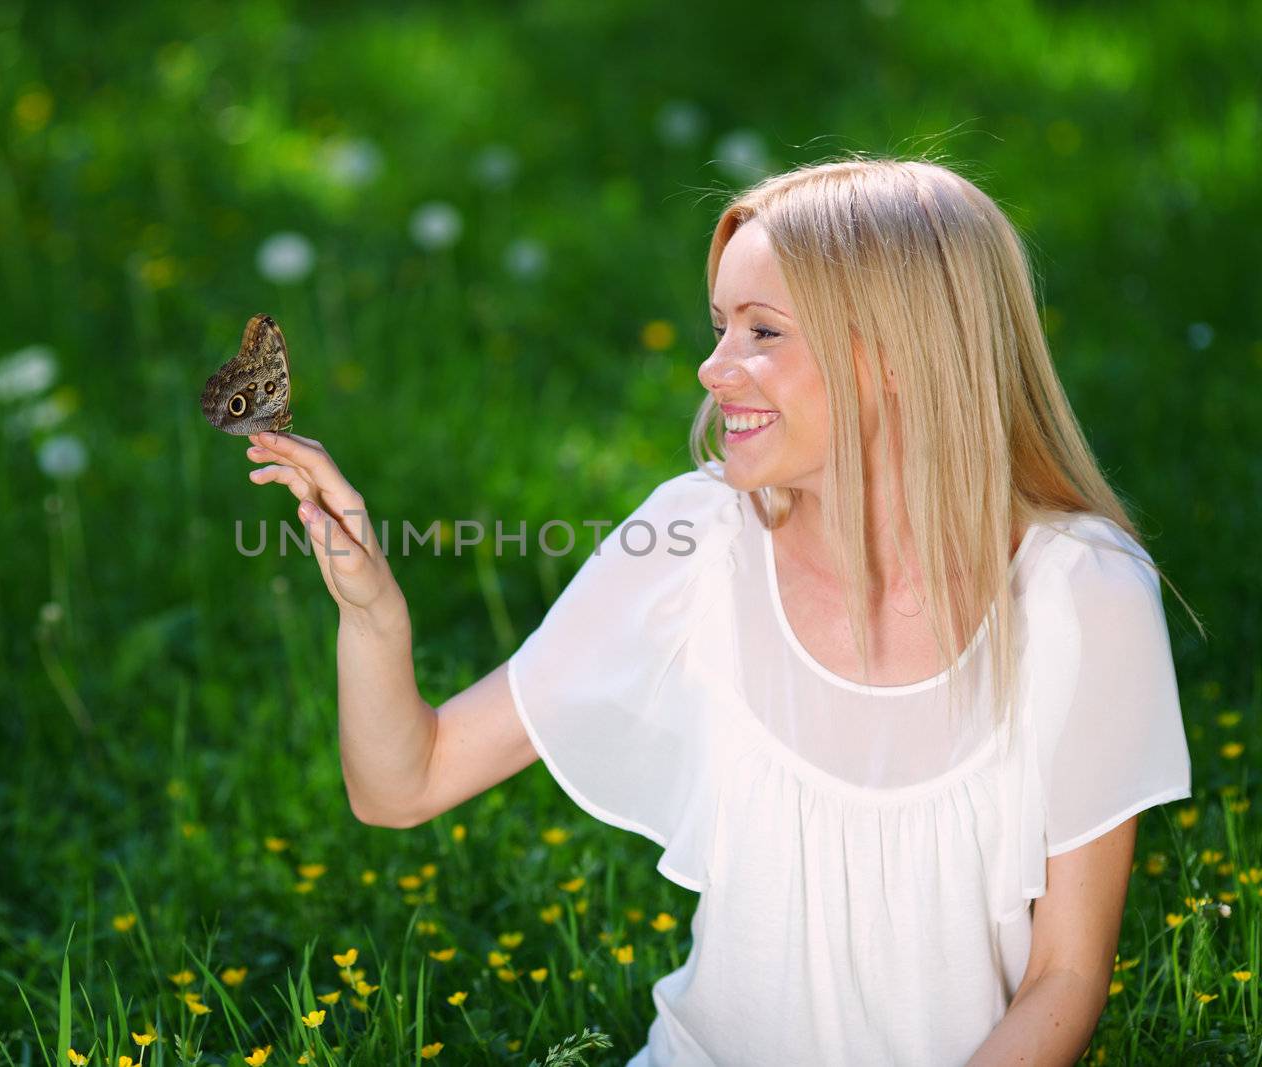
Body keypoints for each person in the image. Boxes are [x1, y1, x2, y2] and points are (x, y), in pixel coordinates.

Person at [242, 155, 1202, 1066]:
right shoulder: (695, 540)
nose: (712, 368)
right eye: (718, 328)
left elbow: (1066, 976)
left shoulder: (1081, 592)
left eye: (764, 332)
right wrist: (373, 613)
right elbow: (403, 785)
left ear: (900, 357)